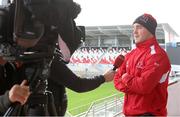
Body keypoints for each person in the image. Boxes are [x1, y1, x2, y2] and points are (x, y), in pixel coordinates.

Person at [114, 13, 171, 116]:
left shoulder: (158, 55)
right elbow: (117, 81)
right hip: (129, 113)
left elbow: (144, 86)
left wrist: (126, 78)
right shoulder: (130, 54)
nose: (134, 32)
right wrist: (134, 85)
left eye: (139, 27)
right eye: (133, 28)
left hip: (150, 114)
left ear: (150, 30)